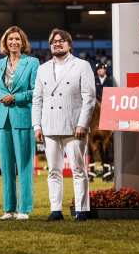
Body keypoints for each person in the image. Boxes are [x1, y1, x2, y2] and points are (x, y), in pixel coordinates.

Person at [32, 28, 96, 221]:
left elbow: (90, 98)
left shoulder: (82, 65)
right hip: (49, 127)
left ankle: (82, 210)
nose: (57, 44)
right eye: (54, 41)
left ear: (69, 44)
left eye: (61, 41)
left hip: (74, 127)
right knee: (53, 170)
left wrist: (83, 124)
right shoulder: (42, 69)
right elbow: (37, 100)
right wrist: (37, 126)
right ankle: (55, 210)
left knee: (78, 169)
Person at [0, 26, 39, 220]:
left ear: (22, 42)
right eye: (10, 40)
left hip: (23, 118)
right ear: (5, 43)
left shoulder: (32, 63)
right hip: (2, 121)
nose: (13, 42)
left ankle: (24, 209)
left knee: (24, 166)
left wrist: (15, 98)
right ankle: (9, 209)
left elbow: (36, 92)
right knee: (6, 166)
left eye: (17, 39)